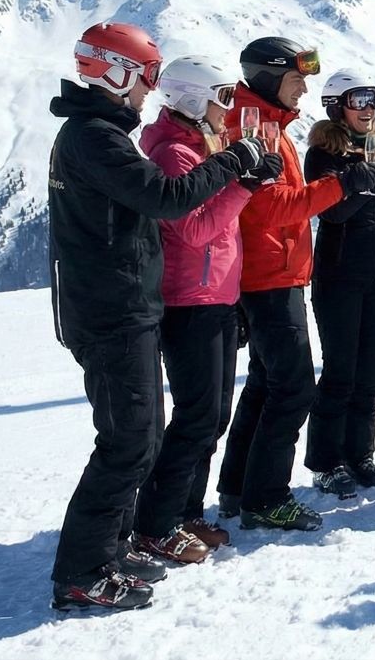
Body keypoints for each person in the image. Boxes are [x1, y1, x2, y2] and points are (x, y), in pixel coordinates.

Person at [48, 23, 274, 612]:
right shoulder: (94, 136)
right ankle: (82, 572)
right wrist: (239, 164)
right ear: (117, 72)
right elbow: (168, 199)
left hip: (126, 304)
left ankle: (111, 547)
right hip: (112, 310)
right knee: (127, 441)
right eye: (145, 75)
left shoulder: (99, 133)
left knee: (141, 437)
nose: (149, 88)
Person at [217, 37, 375, 532]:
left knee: (268, 383)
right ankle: (266, 497)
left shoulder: (268, 124)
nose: (305, 89)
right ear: (268, 78)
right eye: (296, 79)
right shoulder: (257, 129)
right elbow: (273, 209)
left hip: (274, 270)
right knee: (294, 389)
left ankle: (238, 487)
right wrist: (344, 183)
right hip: (269, 274)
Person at [130, 57, 265, 569]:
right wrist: (245, 185)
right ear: (191, 98)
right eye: (221, 97)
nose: (228, 109)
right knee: (196, 416)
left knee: (213, 416)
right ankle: (156, 524)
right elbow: (193, 230)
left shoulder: (200, 146)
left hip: (217, 295)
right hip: (191, 299)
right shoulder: (173, 154)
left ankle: (184, 512)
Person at [301, 69, 375, 498]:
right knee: (340, 374)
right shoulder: (324, 155)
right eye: (358, 100)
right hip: (340, 279)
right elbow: (331, 215)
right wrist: (370, 180)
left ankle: (359, 453)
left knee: (371, 373)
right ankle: (327, 462)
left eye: (372, 99)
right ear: (337, 106)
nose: (368, 108)